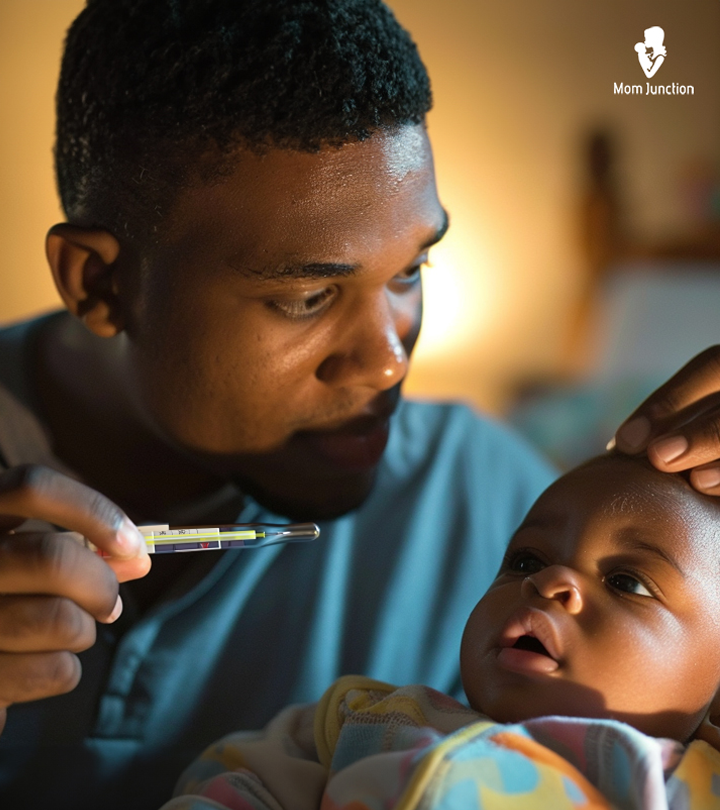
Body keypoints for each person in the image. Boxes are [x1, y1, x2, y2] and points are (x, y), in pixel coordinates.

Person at [1, 1, 720, 808]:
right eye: (309, 295)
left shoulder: (484, 493)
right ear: (101, 283)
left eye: (412, 270)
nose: (388, 362)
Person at [159, 452, 720, 809]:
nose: (552, 582)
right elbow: (237, 786)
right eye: (526, 561)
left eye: (627, 581)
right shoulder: (365, 720)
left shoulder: (691, 784)